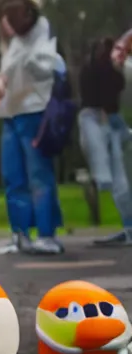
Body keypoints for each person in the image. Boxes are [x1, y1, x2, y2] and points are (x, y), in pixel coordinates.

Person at [0, 0, 65, 255]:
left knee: (39, 176)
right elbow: (6, 74)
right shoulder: (10, 44)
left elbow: (45, 70)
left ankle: (47, 235)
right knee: (13, 178)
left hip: (33, 111)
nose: (4, 25)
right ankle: (20, 234)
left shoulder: (40, 29)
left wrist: (21, 58)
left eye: (8, 18)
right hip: (9, 113)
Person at [78, 37, 132, 246]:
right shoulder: (107, 73)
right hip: (105, 120)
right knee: (121, 179)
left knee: (122, 178)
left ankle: (128, 226)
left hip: (107, 121)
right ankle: (128, 225)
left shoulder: (106, 71)